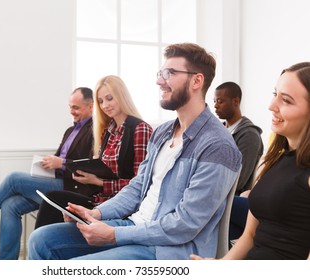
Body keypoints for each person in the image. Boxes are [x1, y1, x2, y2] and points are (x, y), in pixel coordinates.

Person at [28, 42, 242, 260]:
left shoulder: (218, 146)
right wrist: (97, 213)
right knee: (41, 239)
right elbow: (137, 186)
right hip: (134, 225)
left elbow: (184, 225)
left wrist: (114, 234)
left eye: (169, 73)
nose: (159, 80)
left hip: (168, 249)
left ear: (197, 80)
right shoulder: (163, 132)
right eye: (160, 73)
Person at [0, 87, 95, 260]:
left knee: (14, 178)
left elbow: (89, 166)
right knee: (10, 205)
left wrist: (62, 163)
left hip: (71, 188)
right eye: (70, 106)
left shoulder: (96, 131)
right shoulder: (70, 130)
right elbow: (62, 159)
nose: (71, 111)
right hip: (55, 180)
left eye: (76, 107)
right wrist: (51, 162)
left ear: (91, 107)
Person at [191, 62, 310, 260]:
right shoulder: (274, 160)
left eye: (287, 101)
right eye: (275, 94)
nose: (272, 106)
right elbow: (250, 236)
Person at [34, 75, 153, 228]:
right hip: (99, 197)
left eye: (110, 98)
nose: (105, 105)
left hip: (118, 204)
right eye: (101, 101)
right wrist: (89, 174)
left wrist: (97, 181)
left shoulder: (140, 129)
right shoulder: (107, 131)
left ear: (122, 96)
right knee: (51, 201)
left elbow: (140, 183)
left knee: (52, 203)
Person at [213, 82, 264, 244]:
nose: (215, 105)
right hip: (217, 194)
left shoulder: (249, 135)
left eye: (220, 101)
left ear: (235, 101)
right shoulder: (218, 131)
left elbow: (240, 179)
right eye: (214, 101)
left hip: (235, 197)